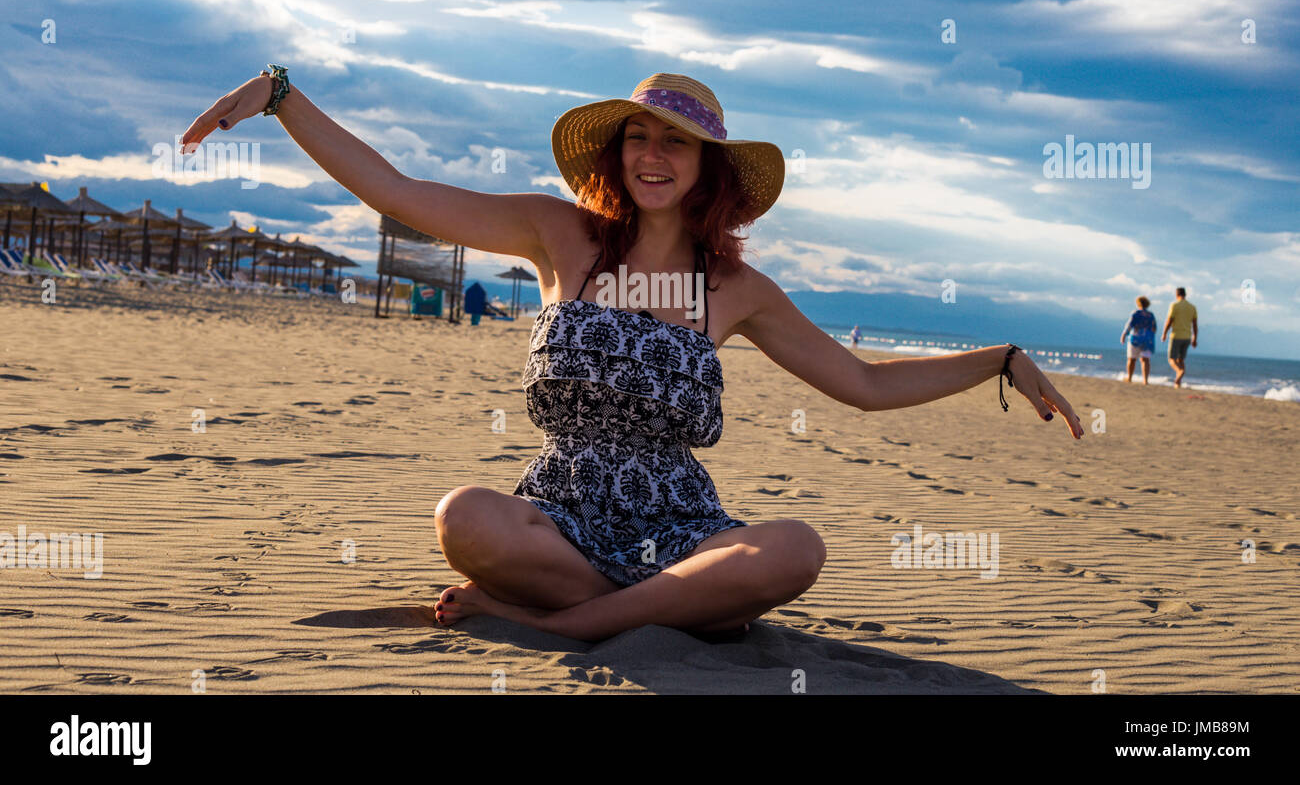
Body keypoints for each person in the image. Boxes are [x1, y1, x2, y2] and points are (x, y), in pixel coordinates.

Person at [182, 70, 1085, 644]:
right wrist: (281, 97)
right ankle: (619, 612)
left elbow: (862, 382)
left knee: (795, 548)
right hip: (560, 521)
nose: (654, 154)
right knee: (464, 516)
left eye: (677, 141)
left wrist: (1001, 359)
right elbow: (401, 191)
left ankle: (569, 622)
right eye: (640, 136)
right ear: (618, 151)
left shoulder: (737, 287)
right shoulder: (556, 231)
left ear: (708, 167)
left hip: (683, 533)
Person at [1161, 287, 1198, 388]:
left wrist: (1164, 333)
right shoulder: (1192, 307)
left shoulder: (1174, 305)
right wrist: (1195, 338)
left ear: (1176, 294)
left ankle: (1179, 371)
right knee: (1181, 360)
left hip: (1176, 335)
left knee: (1171, 359)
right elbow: (1194, 324)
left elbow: (1169, 320)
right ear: (1185, 294)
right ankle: (1178, 383)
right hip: (1187, 337)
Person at [1120, 295, 1156, 384]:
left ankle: (1129, 377)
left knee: (1132, 359)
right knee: (1145, 360)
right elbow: (1154, 328)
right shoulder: (1150, 315)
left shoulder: (1136, 313)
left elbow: (1130, 324)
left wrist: (1124, 334)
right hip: (1147, 340)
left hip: (1135, 338)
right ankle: (1145, 380)